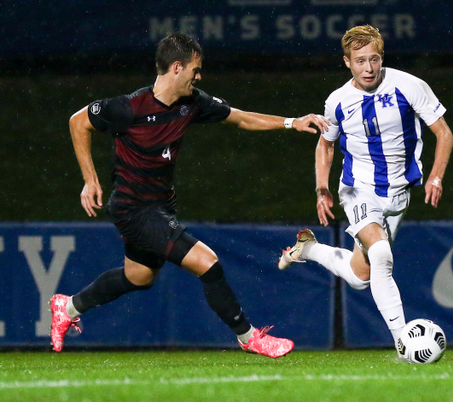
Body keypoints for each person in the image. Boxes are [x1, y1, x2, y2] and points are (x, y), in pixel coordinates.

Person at [50, 31, 330, 358]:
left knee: (138, 277)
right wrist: (89, 180)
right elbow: (77, 122)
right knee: (208, 263)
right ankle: (248, 336)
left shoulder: (192, 102)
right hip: (134, 210)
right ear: (177, 68)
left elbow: (238, 118)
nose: (199, 76)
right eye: (195, 69)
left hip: (160, 208)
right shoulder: (129, 108)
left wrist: (292, 122)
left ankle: (67, 308)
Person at [278, 25, 453, 351]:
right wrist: (322, 188)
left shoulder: (410, 86)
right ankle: (405, 343)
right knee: (382, 254)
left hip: (398, 195)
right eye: (360, 61)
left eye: (374, 59)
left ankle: (309, 250)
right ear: (347, 62)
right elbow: (325, 145)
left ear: (382, 57)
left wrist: (436, 176)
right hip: (358, 189)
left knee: (362, 278)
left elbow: (444, 133)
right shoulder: (338, 101)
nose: (368, 68)